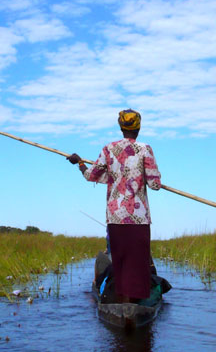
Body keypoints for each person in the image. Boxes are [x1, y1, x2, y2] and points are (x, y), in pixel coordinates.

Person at [68, 109, 161, 304]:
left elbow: (91, 176)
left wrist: (80, 163)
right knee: (138, 261)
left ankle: (123, 301)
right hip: (138, 217)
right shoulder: (145, 150)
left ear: (121, 127)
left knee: (121, 261)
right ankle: (136, 304)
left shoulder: (108, 150)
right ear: (139, 127)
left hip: (116, 216)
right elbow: (155, 185)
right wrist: (147, 177)